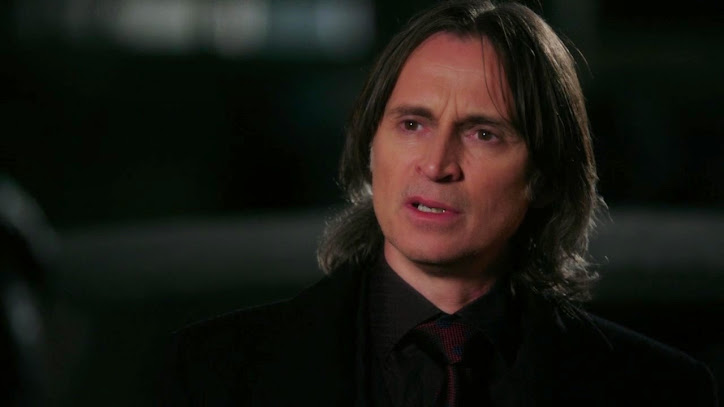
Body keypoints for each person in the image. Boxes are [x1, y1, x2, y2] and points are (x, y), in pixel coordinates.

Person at [161, 1, 718, 405]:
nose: (436, 164)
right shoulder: (214, 373)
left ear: (546, 177)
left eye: (483, 134)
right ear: (371, 148)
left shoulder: (658, 391)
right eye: (412, 124)